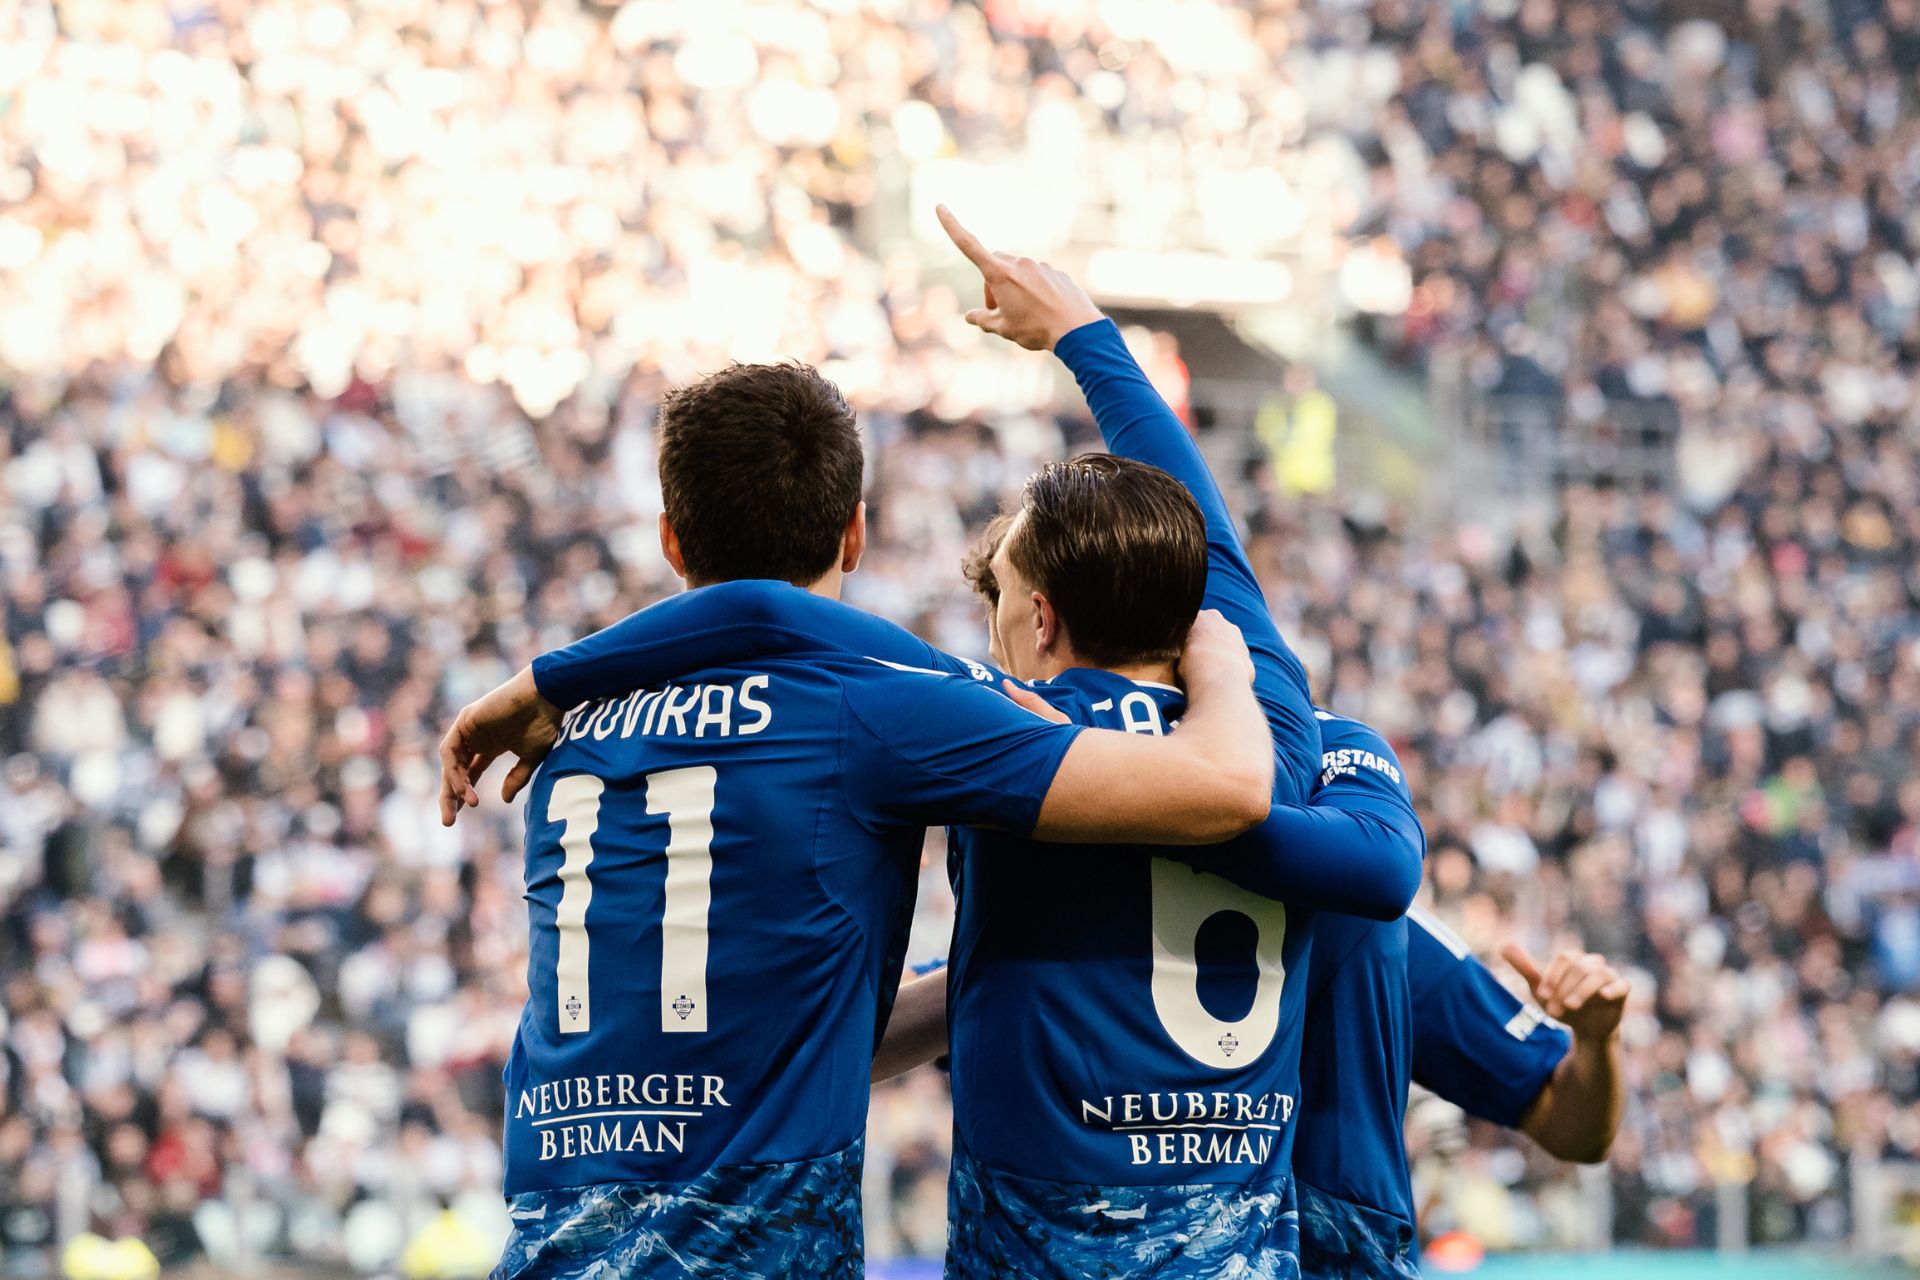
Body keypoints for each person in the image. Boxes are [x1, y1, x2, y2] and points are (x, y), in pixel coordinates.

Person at [505, 210, 1426, 1275]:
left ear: (1039, 617)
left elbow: (776, 629)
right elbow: (1216, 564)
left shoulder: (587, 735)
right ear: (855, 531)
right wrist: (1083, 333)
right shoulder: (1267, 724)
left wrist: (559, 672)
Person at [437, 360, 1284, 1279]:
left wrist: (991, 986)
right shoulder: (879, 708)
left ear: (670, 541)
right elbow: (1227, 787)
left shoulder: (564, 737)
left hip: (549, 1243)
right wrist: (1224, 660)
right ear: (856, 533)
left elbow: (789, 1035)